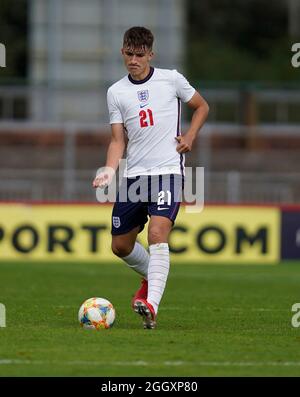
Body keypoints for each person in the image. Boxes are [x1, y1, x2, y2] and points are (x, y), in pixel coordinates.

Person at [93, 26, 209, 329]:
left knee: (157, 233)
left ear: (150, 55)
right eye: (129, 54)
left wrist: (191, 136)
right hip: (134, 177)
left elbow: (201, 106)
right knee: (119, 245)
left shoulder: (171, 79)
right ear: (122, 52)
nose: (134, 60)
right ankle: (151, 274)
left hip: (168, 172)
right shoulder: (116, 92)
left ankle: (151, 304)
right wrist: (108, 169)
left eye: (140, 55)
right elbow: (118, 140)